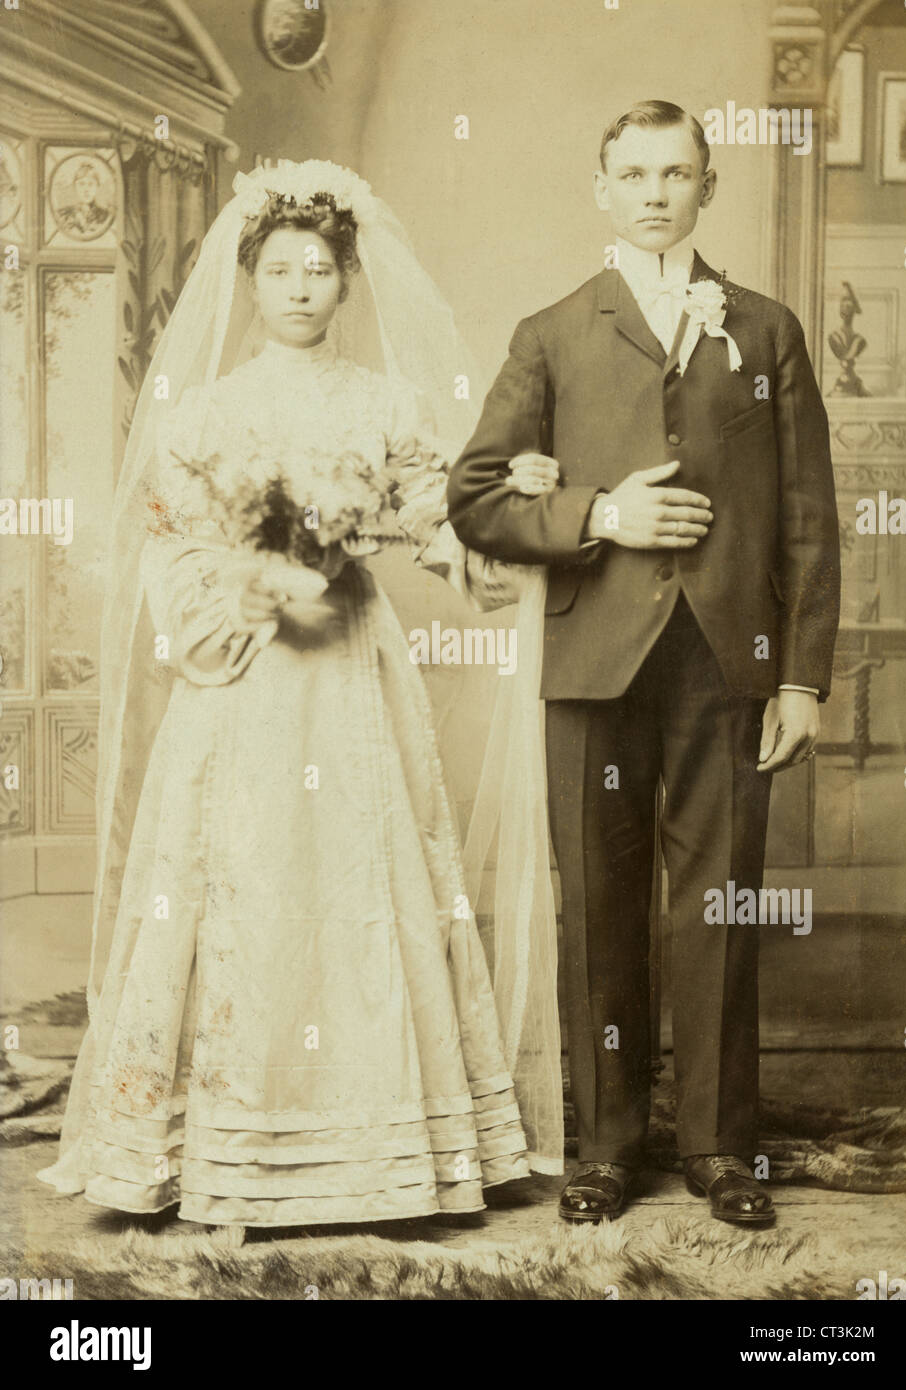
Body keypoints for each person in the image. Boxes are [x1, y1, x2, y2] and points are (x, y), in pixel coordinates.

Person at [37, 160, 564, 1229]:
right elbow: (169, 550)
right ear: (250, 278)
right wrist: (248, 587)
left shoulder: (384, 403)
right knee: (236, 873)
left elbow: (438, 520)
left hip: (352, 671)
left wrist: (498, 517)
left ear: (346, 280)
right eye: (278, 269)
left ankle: (380, 1148)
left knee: (363, 871)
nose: (298, 288)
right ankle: (213, 1145)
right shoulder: (210, 411)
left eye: (319, 270)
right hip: (246, 675)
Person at [448, 102, 841, 1226]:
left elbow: (810, 514)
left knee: (720, 899)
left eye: (678, 172)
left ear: (708, 188)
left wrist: (802, 675)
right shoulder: (552, 331)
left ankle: (722, 1148)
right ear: (602, 189)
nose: (656, 191)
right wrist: (598, 514)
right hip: (594, 660)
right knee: (599, 905)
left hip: (729, 659)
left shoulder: (764, 330)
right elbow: (472, 496)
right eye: (635, 172)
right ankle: (607, 1144)